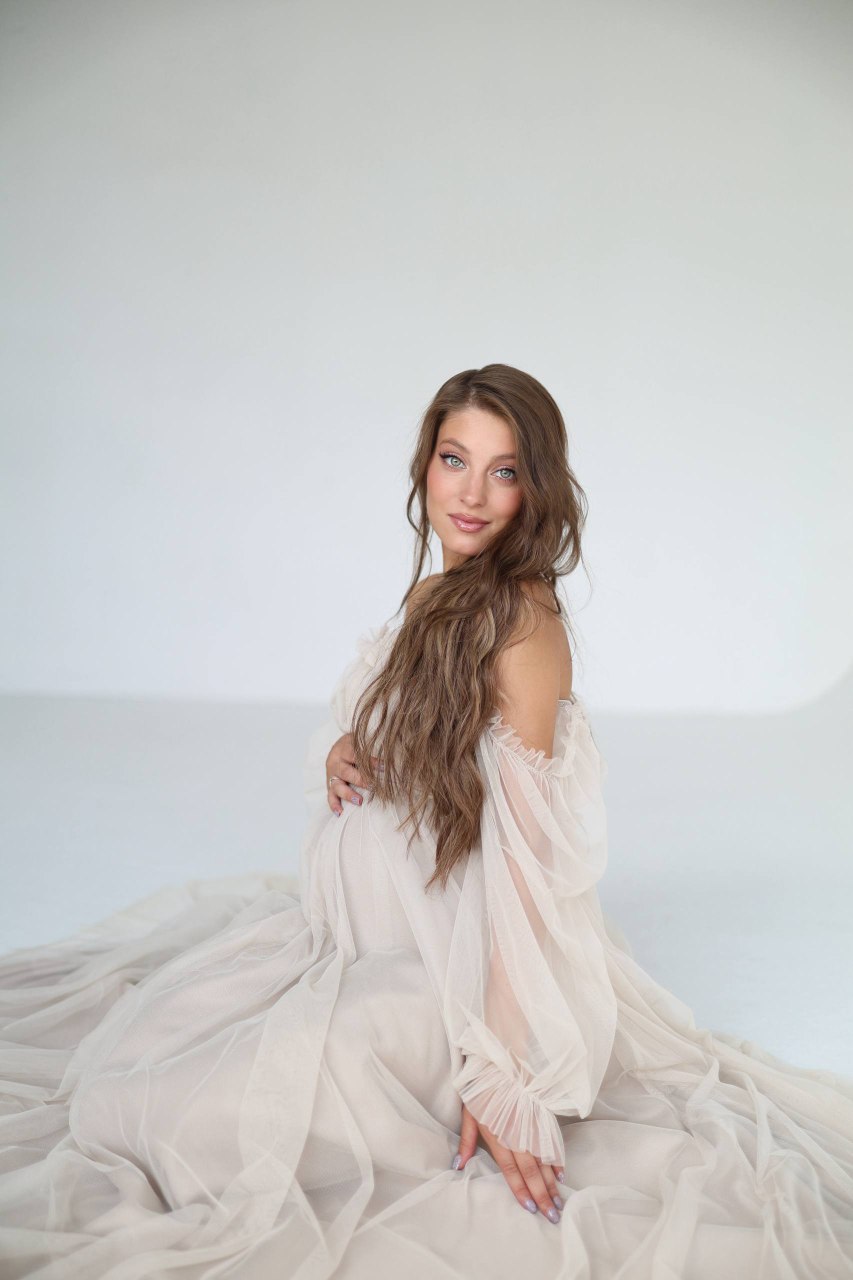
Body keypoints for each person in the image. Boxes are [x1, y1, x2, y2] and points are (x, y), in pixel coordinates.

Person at [0, 364, 851, 1279]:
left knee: (161, 1122)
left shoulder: (521, 624)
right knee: (130, 1061)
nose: (471, 494)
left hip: (449, 976)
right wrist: (347, 749)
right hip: (358, 940)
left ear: (536, 489)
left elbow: (524, 862)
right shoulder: (435, 596)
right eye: (454, 460)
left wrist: (498, 1068)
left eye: (503, 471)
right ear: (424, 465)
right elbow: (409, 734)